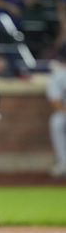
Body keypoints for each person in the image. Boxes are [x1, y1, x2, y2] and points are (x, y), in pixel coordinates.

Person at [46, 44, 66, 178]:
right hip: (65, 112)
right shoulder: (59, 75)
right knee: (57, 122)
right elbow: (55, 101)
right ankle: (64, 162)